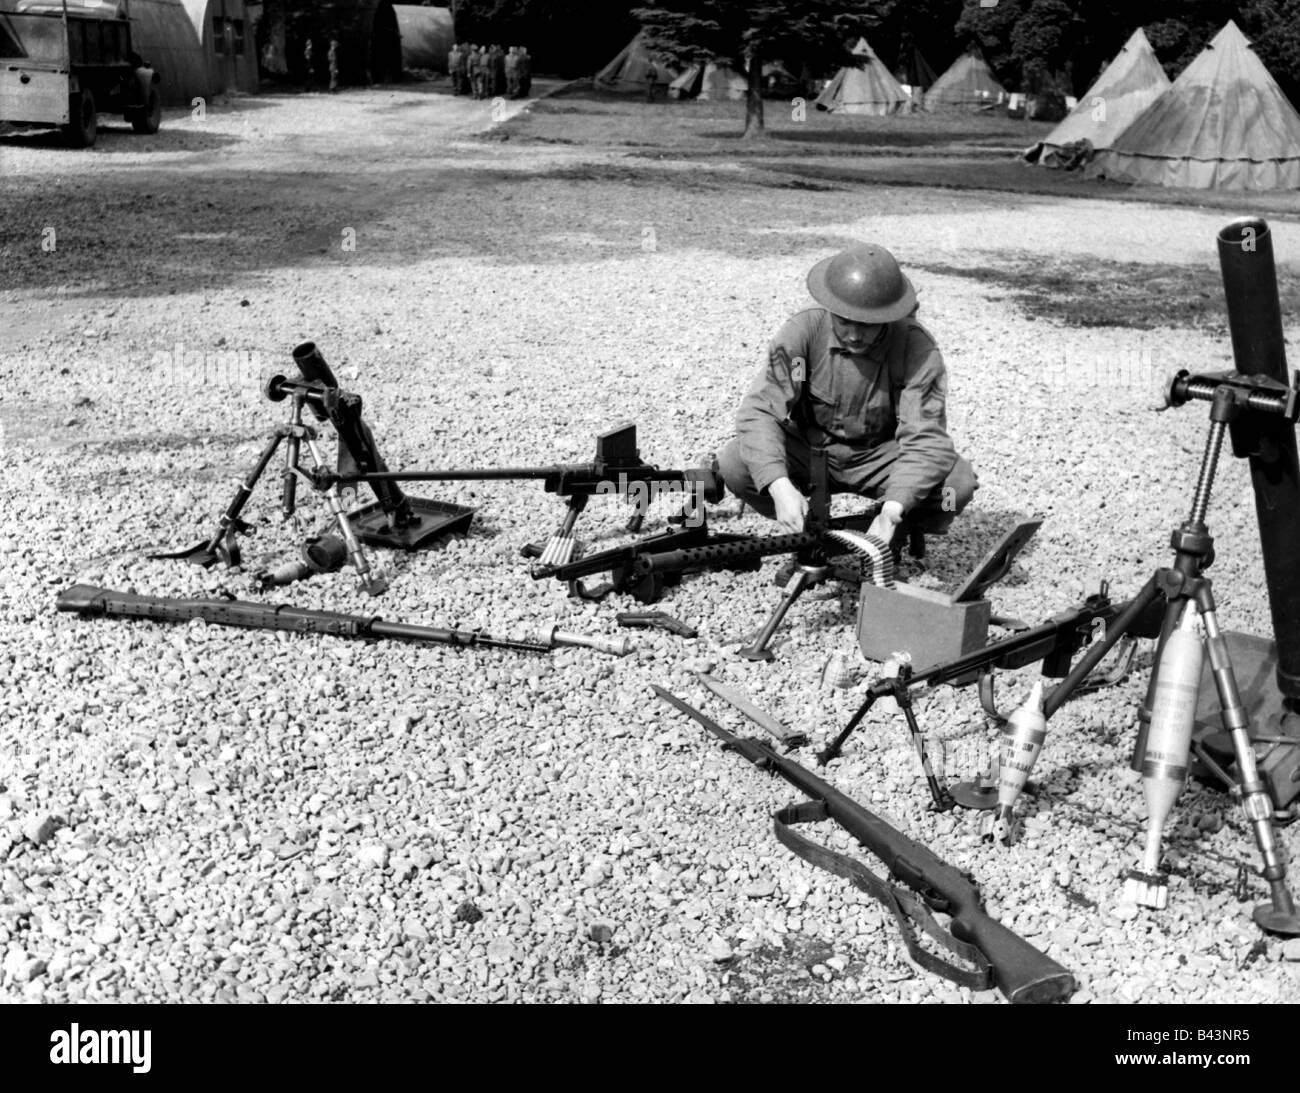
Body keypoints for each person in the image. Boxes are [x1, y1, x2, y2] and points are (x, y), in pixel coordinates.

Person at [718, 243, 977, 554]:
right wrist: (779, 485)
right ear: (830, 307)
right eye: (844, 321)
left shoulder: (916, 349)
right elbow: (761, 409)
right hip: (812, 451)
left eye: (866, 325)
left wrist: (895, 508)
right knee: (735, 464)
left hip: (880, 458)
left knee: (954, 489)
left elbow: (924, 438)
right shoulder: (803, 333)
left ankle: (896, 526)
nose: (854, 334)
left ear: (889, 316)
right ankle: (806, 526)